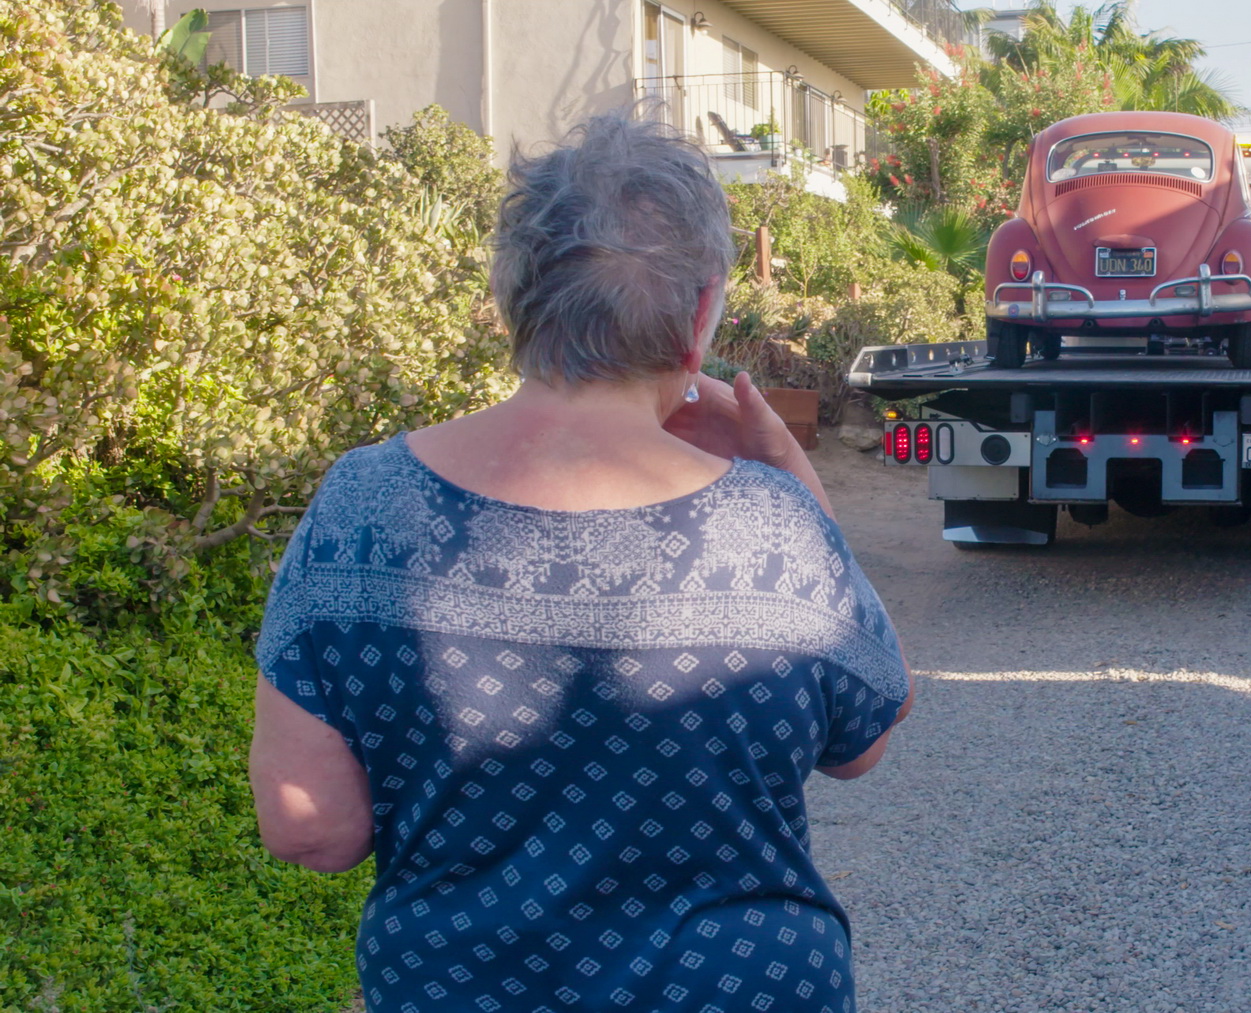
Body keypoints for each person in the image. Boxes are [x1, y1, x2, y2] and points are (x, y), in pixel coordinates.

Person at [247, 112, 912, 1013]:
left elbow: (310, 829)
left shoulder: (364, 503)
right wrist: (794, 481)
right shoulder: (773, 524)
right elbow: (863, 741)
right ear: (703, 313)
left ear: (510, 301)